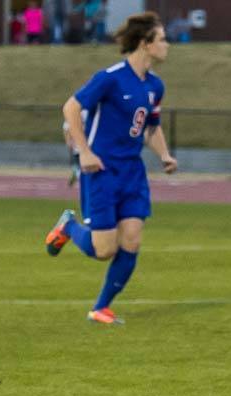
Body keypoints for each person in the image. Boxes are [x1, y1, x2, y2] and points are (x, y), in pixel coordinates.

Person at [44, 12, 177, 325]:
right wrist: (84, 152)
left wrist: (164, 155)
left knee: (132, 239)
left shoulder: (155, 86)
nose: (167, 45)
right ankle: (68, 227)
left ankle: (100, 308)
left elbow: (152, 126)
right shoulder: (110, 77)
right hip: (101, 170)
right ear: (145, 44)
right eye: (162, 39)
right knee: (104, 249)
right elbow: (71, 107)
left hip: (132, 171)